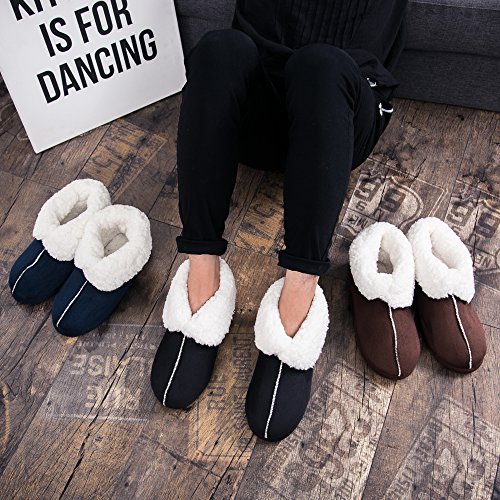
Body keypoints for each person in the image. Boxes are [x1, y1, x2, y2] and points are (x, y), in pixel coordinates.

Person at [151, 0, 409, 441]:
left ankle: (297, 303)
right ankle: (201, 282)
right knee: (217, 50)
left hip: (339, 107)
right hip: (262, 103)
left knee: (322, 65)